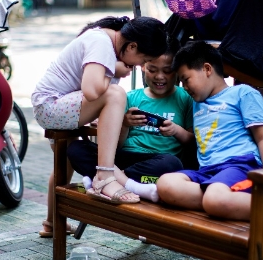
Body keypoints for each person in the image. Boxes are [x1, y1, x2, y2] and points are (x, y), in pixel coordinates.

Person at [32, 15, 167, 237]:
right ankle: (104, 176)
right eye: (143, 58)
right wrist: (115, 70)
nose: (141, 65)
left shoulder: (107, 43)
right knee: (116, 93)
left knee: (63, 162)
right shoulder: (102, 42)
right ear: (132, 46)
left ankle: (52, 223)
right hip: (51, 105)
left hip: (54, 104)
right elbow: (93, 91)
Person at [156, 41, 263, 223]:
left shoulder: (242, 93)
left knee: (215, 198)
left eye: (186, 79)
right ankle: (226, 203)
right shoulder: (197, 103)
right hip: (208, 172)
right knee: (166, 184)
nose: (185, 87)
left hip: (241, 167)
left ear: (207, 69)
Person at [66, 36, 195, 203]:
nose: (159, 76)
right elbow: (115, 145)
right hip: (122, 158)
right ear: (143, 66)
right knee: (76, 148)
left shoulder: (184, 99)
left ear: (176, 70)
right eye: (153, 70)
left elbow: (192, 142)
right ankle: (122, 182)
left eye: (167, 70)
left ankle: (108, 180)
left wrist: (176, 130)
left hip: (155, 162)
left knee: (172, 164)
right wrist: (125, 124)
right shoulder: (130, 98)